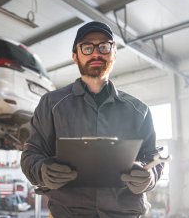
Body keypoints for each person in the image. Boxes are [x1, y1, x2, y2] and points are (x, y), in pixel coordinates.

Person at [20, 21, 164, 218]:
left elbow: (153, 157)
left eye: (104, 47)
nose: (96, 53)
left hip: (124, 213)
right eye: (87, 47)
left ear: (114, 53)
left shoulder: (139, 110)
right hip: (67, 213)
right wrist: (43, 172)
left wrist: (150, 177)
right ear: (75, 56)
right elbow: (31, 154)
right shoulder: (51, 104)